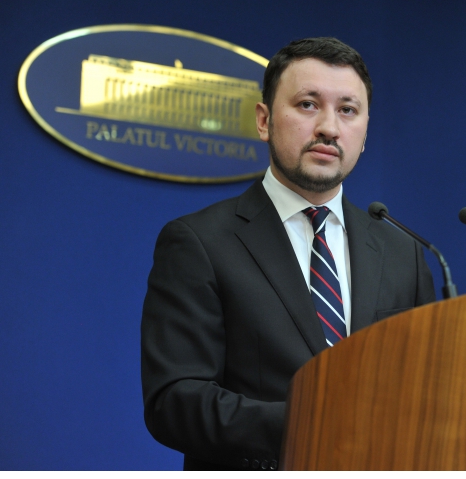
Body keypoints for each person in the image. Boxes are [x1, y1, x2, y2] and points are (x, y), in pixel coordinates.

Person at [141, 37, 436, 471]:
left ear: (364, 132)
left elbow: (429, 392)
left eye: (347, 110)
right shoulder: (199, 242)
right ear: (264, 121)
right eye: (307, 105)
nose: (329, 128)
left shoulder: (402, 252)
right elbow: (174, 402)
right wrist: (314, 423)